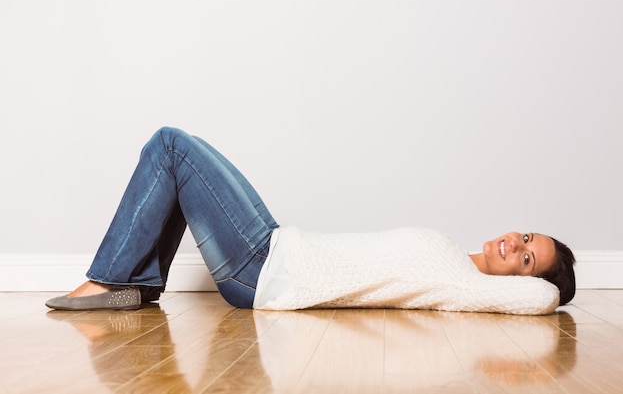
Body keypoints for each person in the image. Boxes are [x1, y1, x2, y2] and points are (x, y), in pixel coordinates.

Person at [45, 127, 576, 315]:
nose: (514, 244)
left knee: (171, 146)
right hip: (277, 245)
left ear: (524, 281)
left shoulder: (464, 286)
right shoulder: (455, 258)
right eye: (525, 236)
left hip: (265, 270)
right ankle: (136, 284)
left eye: (528, 258)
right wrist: (534, 265)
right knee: (184, 159)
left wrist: (548, 284)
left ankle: (108, 282)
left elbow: (544, 299)